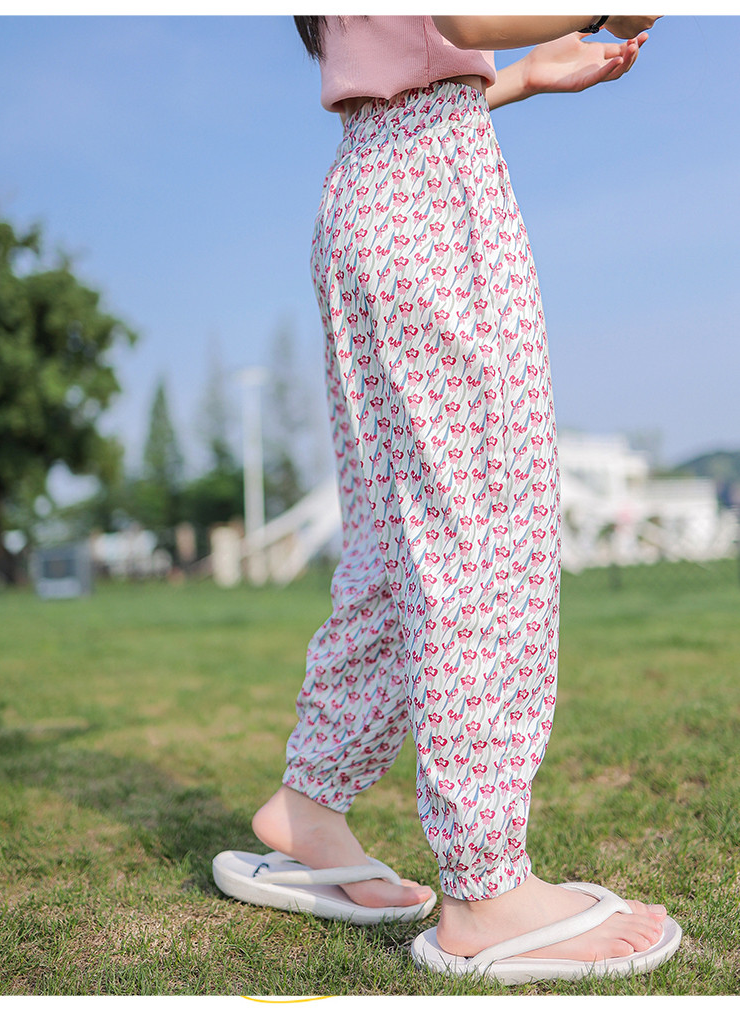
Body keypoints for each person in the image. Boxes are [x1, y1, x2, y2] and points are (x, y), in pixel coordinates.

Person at [212, 15, 682, 984]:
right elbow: (460, 17)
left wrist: (522, 75)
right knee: (483, 532)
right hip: (431, 208)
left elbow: (412, 75)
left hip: (373, 189)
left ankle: (310, 801)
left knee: (397, 543)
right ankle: (485, 886)